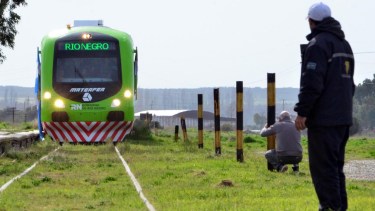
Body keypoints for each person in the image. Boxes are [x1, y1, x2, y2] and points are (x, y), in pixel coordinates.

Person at [294, 2, 355, 211]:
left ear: (311, 22)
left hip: (324, 121)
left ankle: (329, 207)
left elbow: (312, 83)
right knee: (336, 170)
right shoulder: (344, 45)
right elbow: (350, 85)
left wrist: (303, 112)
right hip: (343, 119)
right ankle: (339, 207)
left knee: (323, 170)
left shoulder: (318, 45)